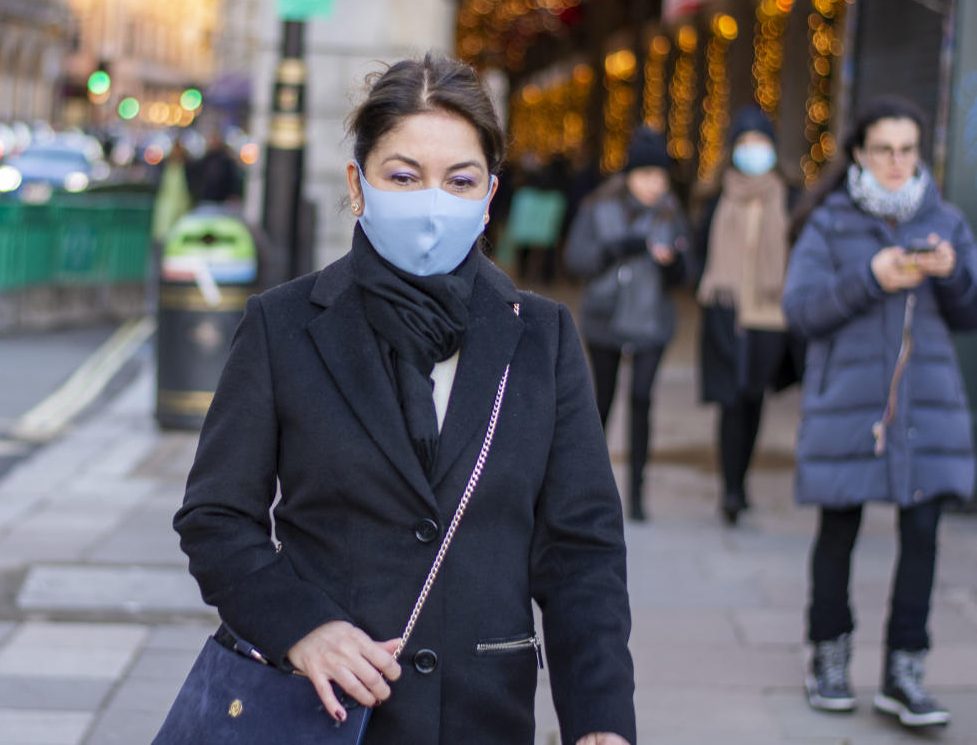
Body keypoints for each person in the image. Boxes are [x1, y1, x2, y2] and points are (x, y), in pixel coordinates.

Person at [174, 53, 636, 745]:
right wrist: (301, 628)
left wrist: (601, 722)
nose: (431, 202)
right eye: (404, 175)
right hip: (323, 714)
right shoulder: (284, 326)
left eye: (459, 180)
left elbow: (580, 550)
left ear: (489, 197)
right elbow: (216, 517)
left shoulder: (541, 336)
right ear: (358, 187)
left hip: (483, 716)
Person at [783, 95, 977, 729]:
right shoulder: (831, 223)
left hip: (928, 408)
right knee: (838, 530)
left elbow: (970, 314)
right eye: (884, 149)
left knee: (923, 536)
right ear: (860, 154)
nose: (897, 162)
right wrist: (872, 277)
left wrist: (950, 277)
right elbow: (803, 311)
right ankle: (829, 659)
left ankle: (904, 673)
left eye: (907, 150)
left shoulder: (944, 220)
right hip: (850, 405)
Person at [564, 126, 693, 522]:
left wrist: (675, 264)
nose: (655, 184)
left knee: (642, 399)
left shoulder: (671, 212)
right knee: (601, 402)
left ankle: (636, 493)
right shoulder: (598, 207)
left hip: (652, 319)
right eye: (647, 175)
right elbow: (576, 259)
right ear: (630, 175)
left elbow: (689, 273)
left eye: (661, 176)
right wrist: (616, 250)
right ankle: (589, 490)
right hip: (605, 319)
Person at [695, 105, 795, 525]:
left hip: (772, 316)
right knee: (731, 402)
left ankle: (743, 480)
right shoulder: (718, 196)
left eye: (760, 142)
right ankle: (730, 491)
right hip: (725, 311)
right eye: (745, 143)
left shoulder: (789, 195)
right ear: (733, 148)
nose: (753, 151)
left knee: (754, 400)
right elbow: (700, 250)